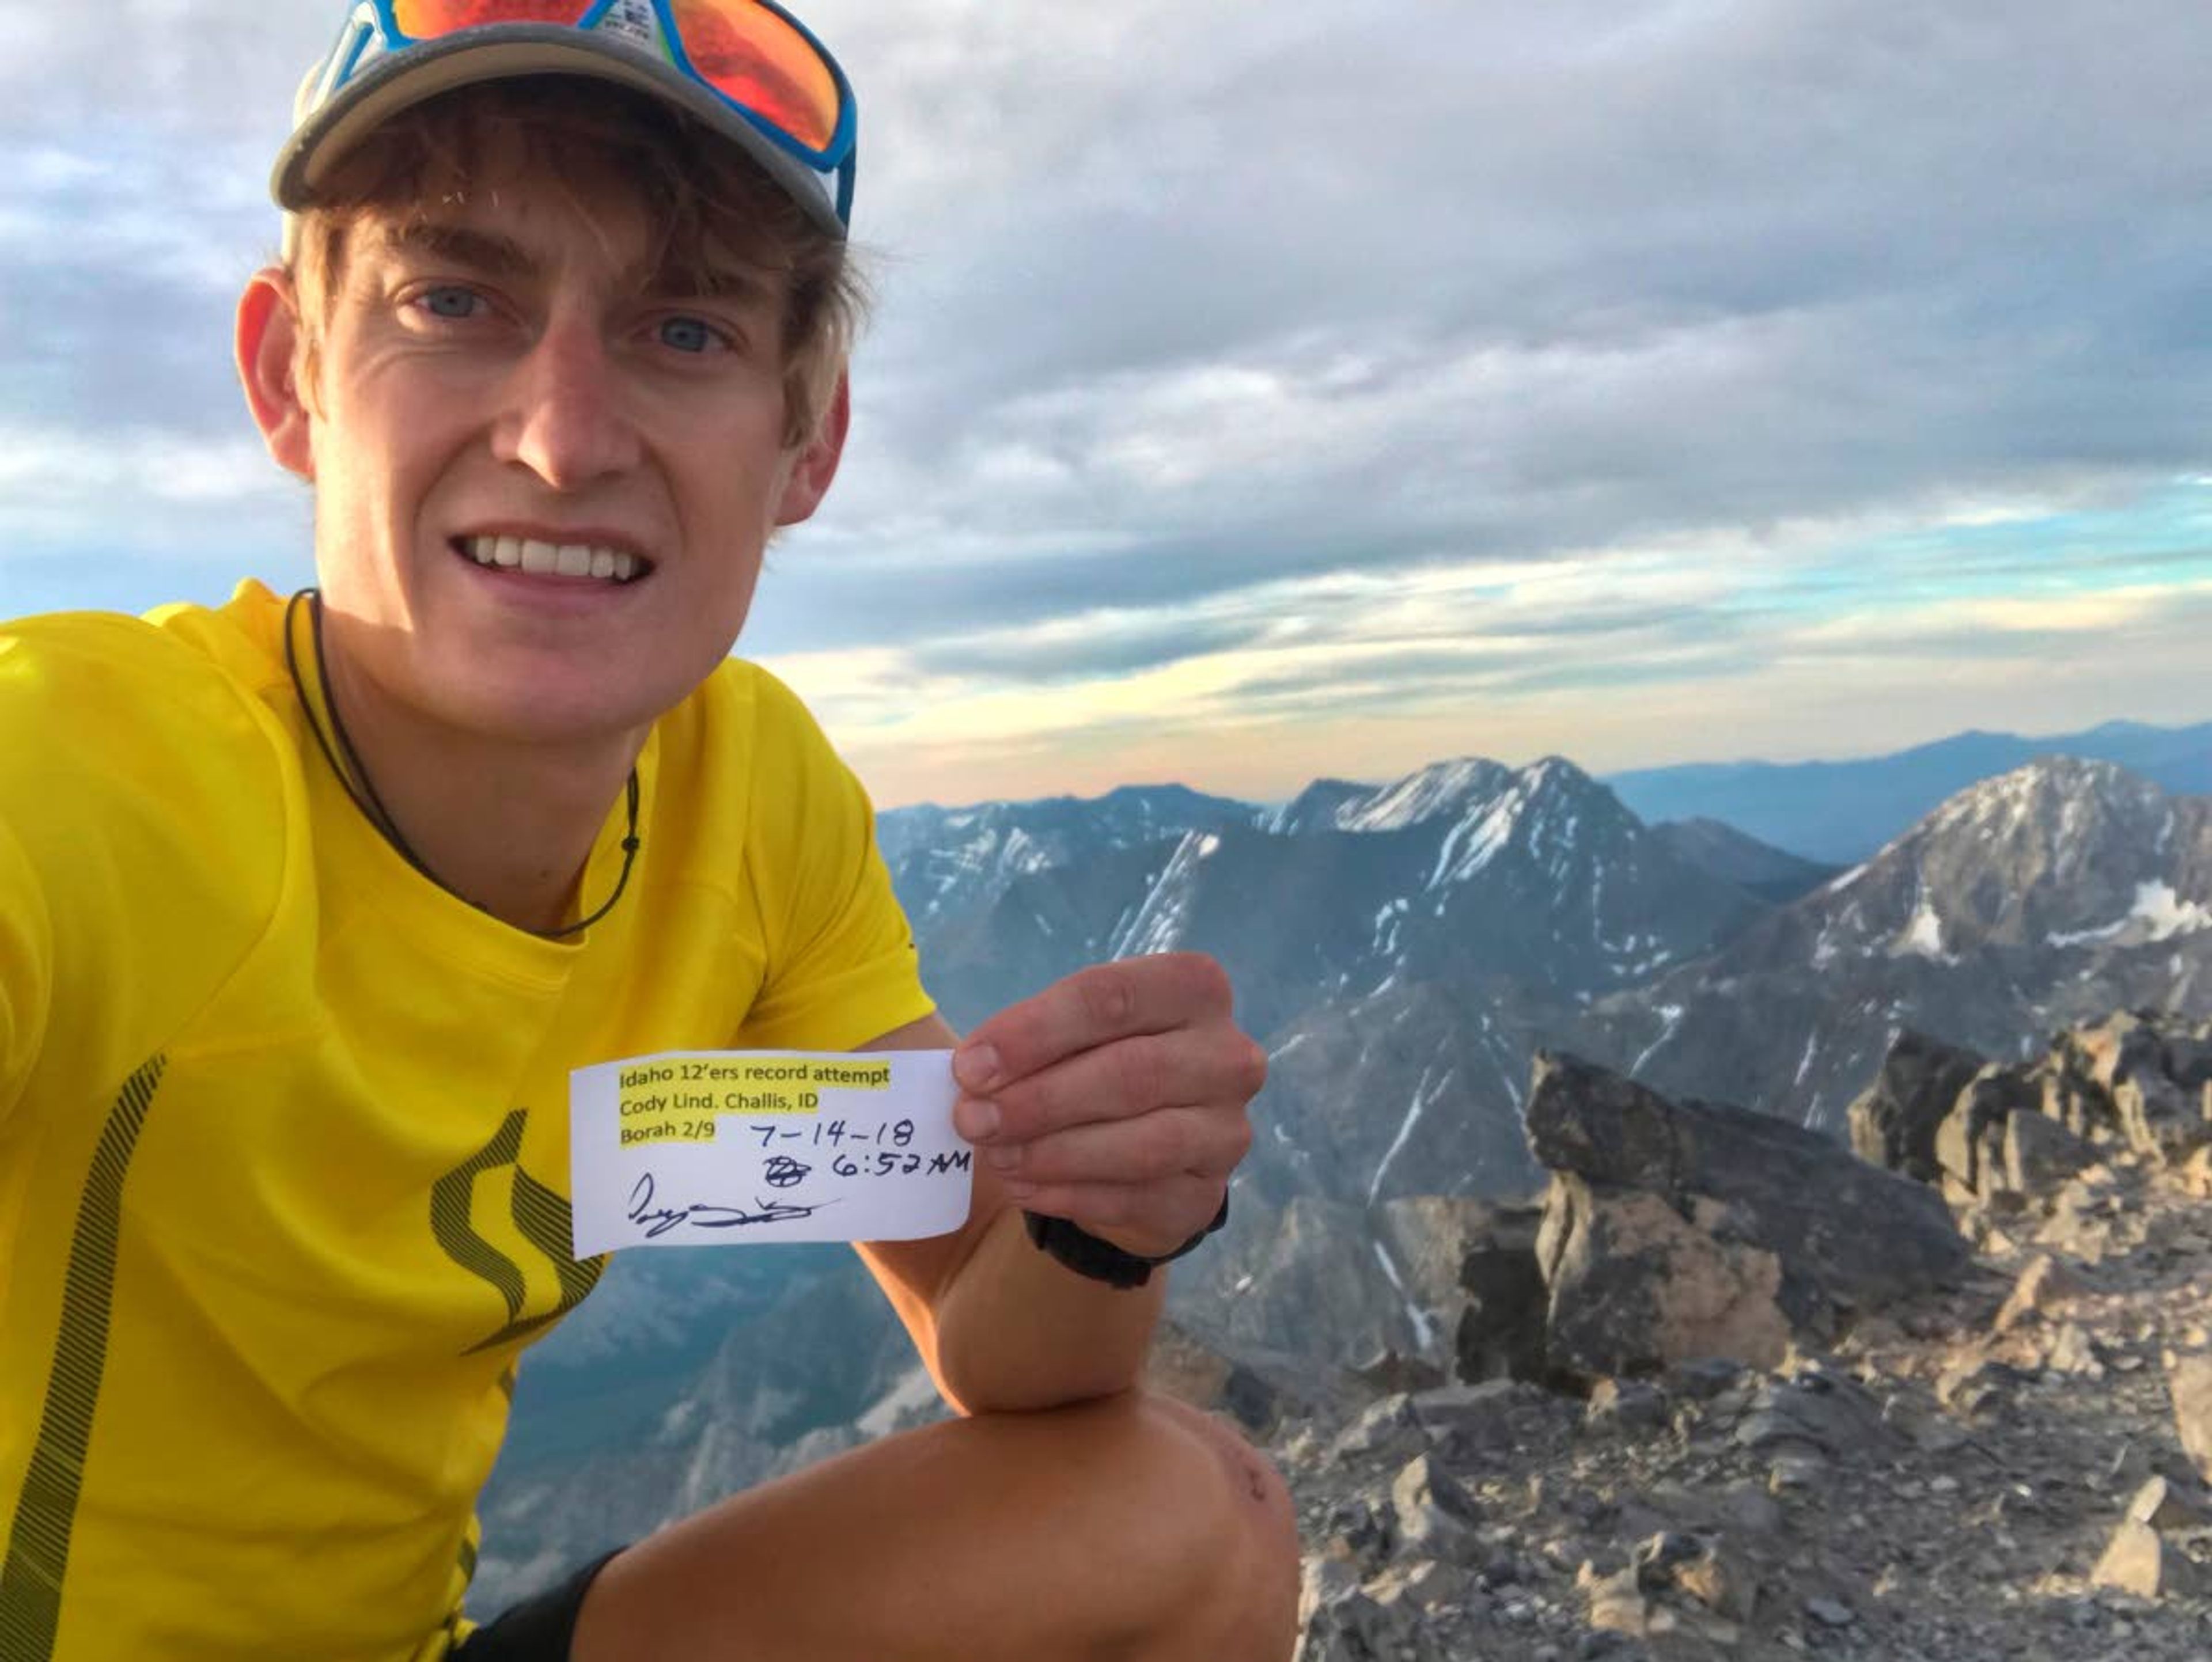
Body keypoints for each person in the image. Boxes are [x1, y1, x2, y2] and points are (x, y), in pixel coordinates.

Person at [0, 3, 1298, 1658]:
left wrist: (1096, 1217)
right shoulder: (69, 778)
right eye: (453, 301)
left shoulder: (743, 794)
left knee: (1189, 1522)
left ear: (804, 442)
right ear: (291, 376)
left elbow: (992, 1330)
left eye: (682, 331)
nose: (561, 437)